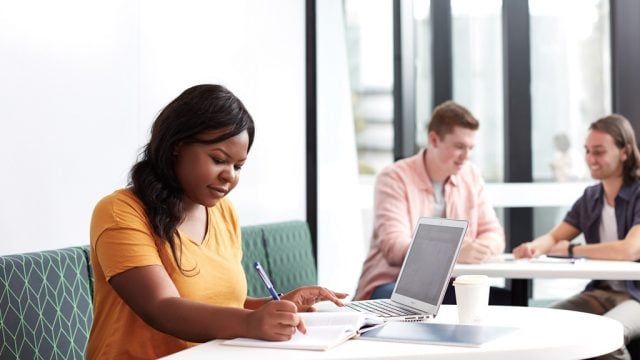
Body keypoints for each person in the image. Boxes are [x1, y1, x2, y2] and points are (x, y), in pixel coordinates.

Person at [87, 84, 346, 359]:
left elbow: (222, 304)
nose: (230, 176)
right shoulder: (120, 211)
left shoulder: (223, 212)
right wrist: (251, 322)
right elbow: (161, 307)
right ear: (177, 146)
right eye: (219, 160)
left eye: (238, 166)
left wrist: (277, 307)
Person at [354, 100, 507, 304]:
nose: (466, 156)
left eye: (470, 148)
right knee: (458, 303)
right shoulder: (394, 177)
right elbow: (394, 247)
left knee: (507, 301)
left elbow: (494, 233)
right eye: (459, 147)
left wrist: (481, 248)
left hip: (451, 285)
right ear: (434, 140)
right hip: (393, 284)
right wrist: (454, 253)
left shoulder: (471, 176)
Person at [513, 114, 640, 360]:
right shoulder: (591, 198)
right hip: (601, 292)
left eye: (599, 151)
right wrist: (532, 247)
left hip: (636, 296)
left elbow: (631, 250)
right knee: (538, 326)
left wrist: (573, 250)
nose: (591, 159)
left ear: (624, 152)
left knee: (604, 339)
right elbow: (554, 237)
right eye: (588, 151)